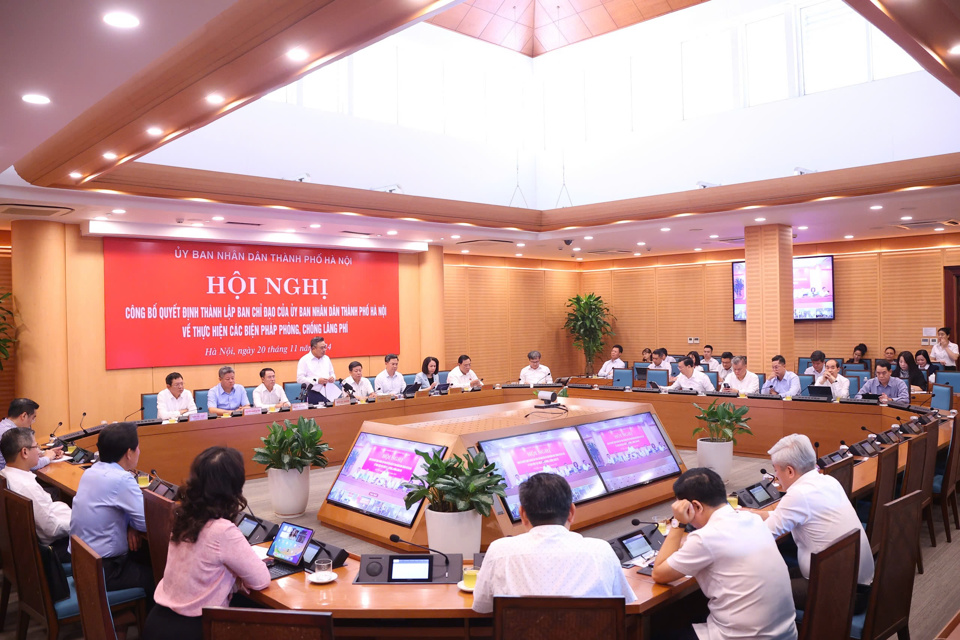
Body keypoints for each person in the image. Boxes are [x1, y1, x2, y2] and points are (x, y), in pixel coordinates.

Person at [652, 467, 797, 640]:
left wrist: (679, 523)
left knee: (657, 633)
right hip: (786, 633)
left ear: (695, 506)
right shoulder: (752, 519)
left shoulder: (705, 538)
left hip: (744, 637)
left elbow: (659, 573)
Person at [144, 447, 270, 640]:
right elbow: (261, 580)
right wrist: (236, 579)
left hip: (158, 621)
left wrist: (232, 581)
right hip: (194, 630)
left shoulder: (184, 518)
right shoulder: (222, 531)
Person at [472, 473, 636, 614]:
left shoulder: (499, 551)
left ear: (522, 514)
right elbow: (624, 603)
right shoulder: (602, 551)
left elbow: (481, 606)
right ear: (571, 512)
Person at [746, 434, 873, 613]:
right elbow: (788, 515)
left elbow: (761, 538)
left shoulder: (798, 494)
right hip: (855, 582)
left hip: (841, 592)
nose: (775, 476)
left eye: (776, 470)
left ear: (790, 471)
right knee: (775, 577)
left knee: (754, 592)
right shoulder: (827, 481)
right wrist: (752, 514)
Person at [70, 422, 154, 596]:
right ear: (129, 453)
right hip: (105, 570)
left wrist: (131, 524)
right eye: (137, 448)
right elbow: (148, 524)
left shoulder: (92, 471)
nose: (139, 452)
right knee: (159, 577)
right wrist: (134, 524)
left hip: (82, 564)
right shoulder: (121, 479)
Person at [0, 427, 72, 562]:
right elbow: (52, 530)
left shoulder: (5, 474)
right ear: (25, 452)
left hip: (32, 544)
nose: (39, 452)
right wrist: (79, 521)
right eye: (36, 447)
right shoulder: (26, 486)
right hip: (52, 549)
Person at [0, 398, 61, 471]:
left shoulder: (3, 425)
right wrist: (47, 458)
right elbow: (29, 464)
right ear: (24, 416)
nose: (33, 422)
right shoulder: (12, 434)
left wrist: (46, 453)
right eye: (33, 418)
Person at [296, 336, 341, 402]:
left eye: (325, 347)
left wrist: (332, 378)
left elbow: (332, 373)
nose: (324, 350)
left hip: (328, 393)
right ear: (313, 348)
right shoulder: (304, 360)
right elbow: (300, 379)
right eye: (321, 348)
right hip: (313, 394)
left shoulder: (326, 358)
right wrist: (317, 381)